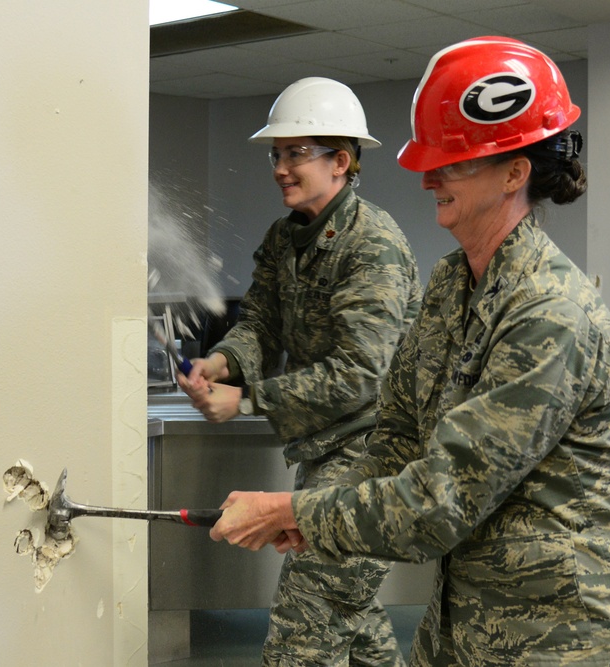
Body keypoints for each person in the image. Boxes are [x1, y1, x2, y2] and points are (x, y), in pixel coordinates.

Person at [208, 38, 610, 666]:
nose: (429, 178)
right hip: (476, 615)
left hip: (576, 629)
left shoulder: (549, 313)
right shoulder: (453, 284)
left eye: (452, 164)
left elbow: (443, 498)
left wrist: (295, 509)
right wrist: (313, 512)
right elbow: (399, 435)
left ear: (515, 172)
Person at [178, 76, 423, 666]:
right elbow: (260, 324)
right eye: (277, 154)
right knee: (355, 621)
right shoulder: (284, 239)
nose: (281, 169)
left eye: (296, 154)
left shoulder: (373, 247)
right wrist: (222, 362)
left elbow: (360, 374)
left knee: (302, 633)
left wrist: (246, 400)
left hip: (375, 458)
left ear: (341, 162)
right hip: (325, 453)